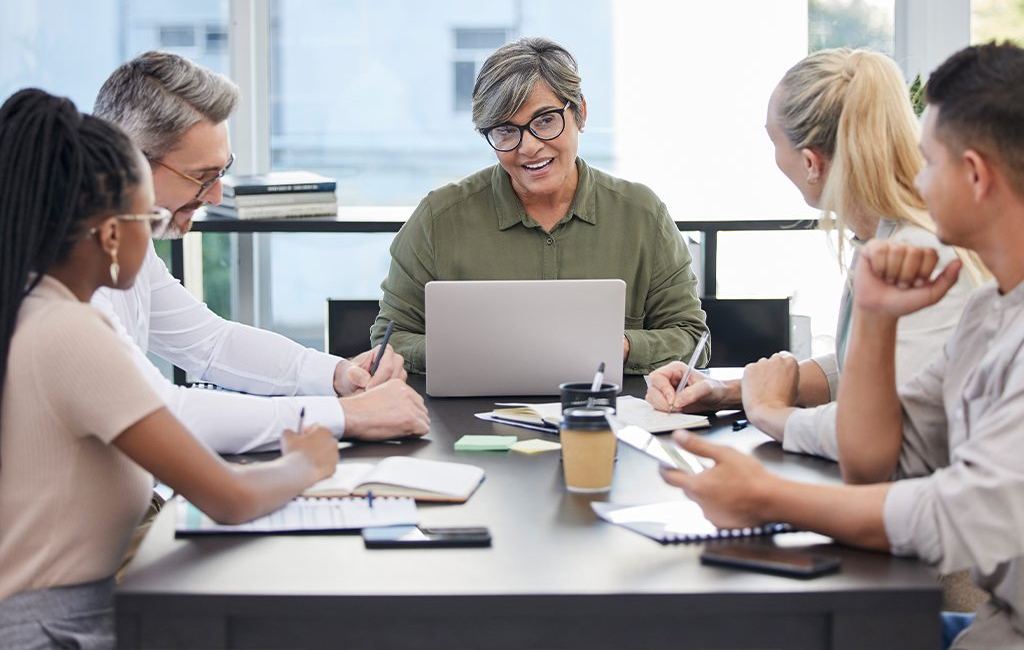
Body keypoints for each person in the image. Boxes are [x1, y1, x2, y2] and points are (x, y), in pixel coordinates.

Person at [661, 41, 1024, 650]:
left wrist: (765, 487)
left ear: (975, 175)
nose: (915, 177)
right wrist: (877, 317)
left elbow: (950, 512)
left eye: (927, 160)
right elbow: (888, 451)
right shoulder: (992, 312)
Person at [0, 89, 339, 648]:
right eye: (149, 218)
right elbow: (228, 497)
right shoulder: (69, 331)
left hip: (81, 604)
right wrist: (305, 461)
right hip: (57, 628)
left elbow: (210, 340)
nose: (156, 234)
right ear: (111, 235)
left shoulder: (42, 308)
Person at [647, 48, 987, 462]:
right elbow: (866, 373)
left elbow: (886, 436)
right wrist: (729, 391)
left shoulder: (919, 256)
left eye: (773, 140)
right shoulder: (884, 238)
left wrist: (771, 412)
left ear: (811, 162)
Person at [91, 51, 429, 454]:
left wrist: (340, 375)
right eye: (201, 177)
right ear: (130, 162)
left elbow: (211, 343)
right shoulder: (68, 276)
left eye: (222, 171)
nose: (216, 196)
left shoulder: (131, 242)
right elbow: (164, 411)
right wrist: (350, 416)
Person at [371, 37, 708, 375]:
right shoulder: (437, 220)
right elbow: (389, 341)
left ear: (580, 113)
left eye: (545, 120)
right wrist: (469, 351)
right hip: (469, 418)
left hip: (607, 418)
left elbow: (692, 340)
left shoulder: (643, 216)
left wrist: (618, 347)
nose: (529, 147)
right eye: (505, 130)